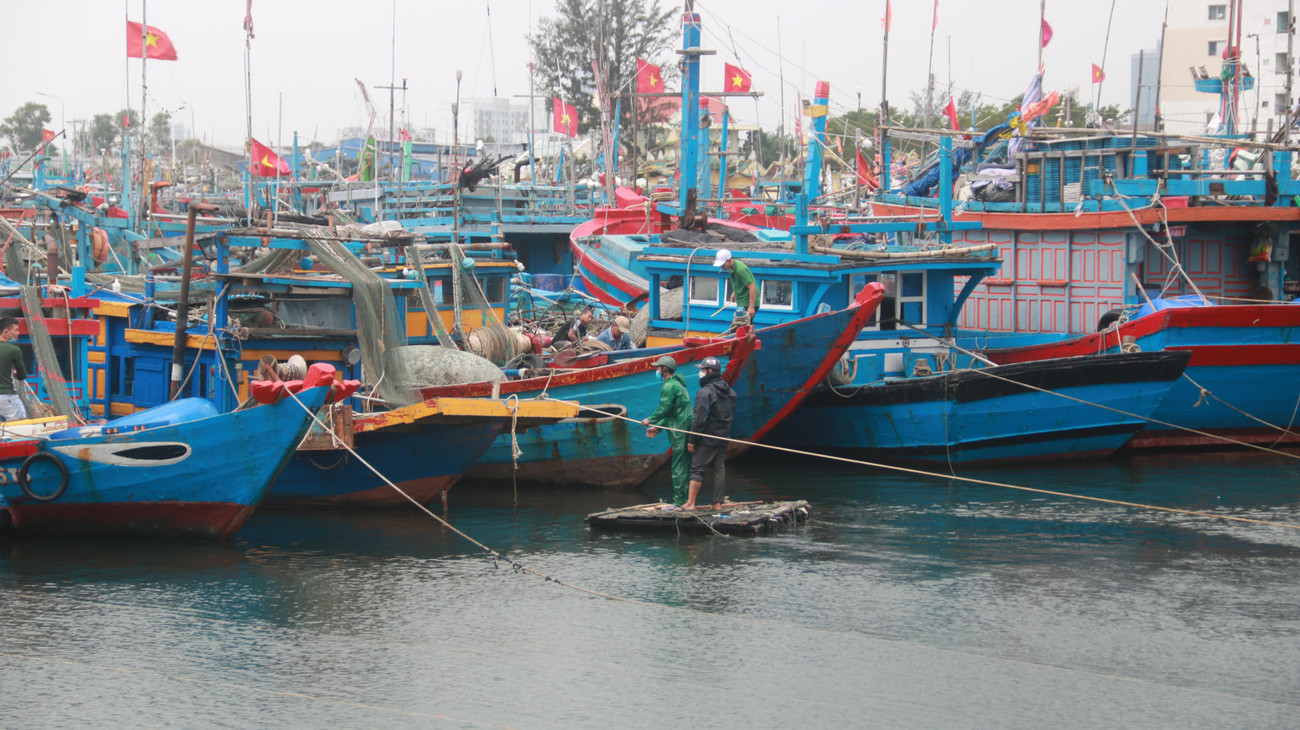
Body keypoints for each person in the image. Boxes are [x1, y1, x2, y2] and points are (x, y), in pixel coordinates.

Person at [683, 356, 736, 511]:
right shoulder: (730, 392)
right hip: (723, 437)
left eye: (702, 370)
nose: (700, 372)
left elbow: (699, 419)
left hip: (708, 438)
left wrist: (692, 439)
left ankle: (690, 503)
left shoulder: (705, 392)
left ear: (709, 371)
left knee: (697, 469)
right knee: (719, 468)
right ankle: (718, 504)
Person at [641, 355, 691, 507]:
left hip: (680, 430)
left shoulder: (669, 386)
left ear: (665, 369)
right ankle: (686, 500)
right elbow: (671, 413)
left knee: (679, 467)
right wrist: (657, 428)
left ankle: (681, 502)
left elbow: (664, 409)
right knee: (684, 464)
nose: (656, 370)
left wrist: (650, 420)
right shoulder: (677, 384)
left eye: (658, 368)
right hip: (681, 427)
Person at [713, 249, 757, 329]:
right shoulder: (731, 268)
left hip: (748, 302)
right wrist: (734, 293)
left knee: (740, 329)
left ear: (729, 260)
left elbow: (752, 287)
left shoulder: (740, 270)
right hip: (741, 301)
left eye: (723, 265)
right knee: (737, 328)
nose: (721, 267)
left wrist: (751, 307)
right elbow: (739, 282)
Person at [0, 317, 29, 422]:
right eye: (16, 330)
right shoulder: (14, 350)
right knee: (20, 427)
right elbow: (22, 375)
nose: (18, 333)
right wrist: (15, 373)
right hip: (7, 398)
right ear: (6, 332)